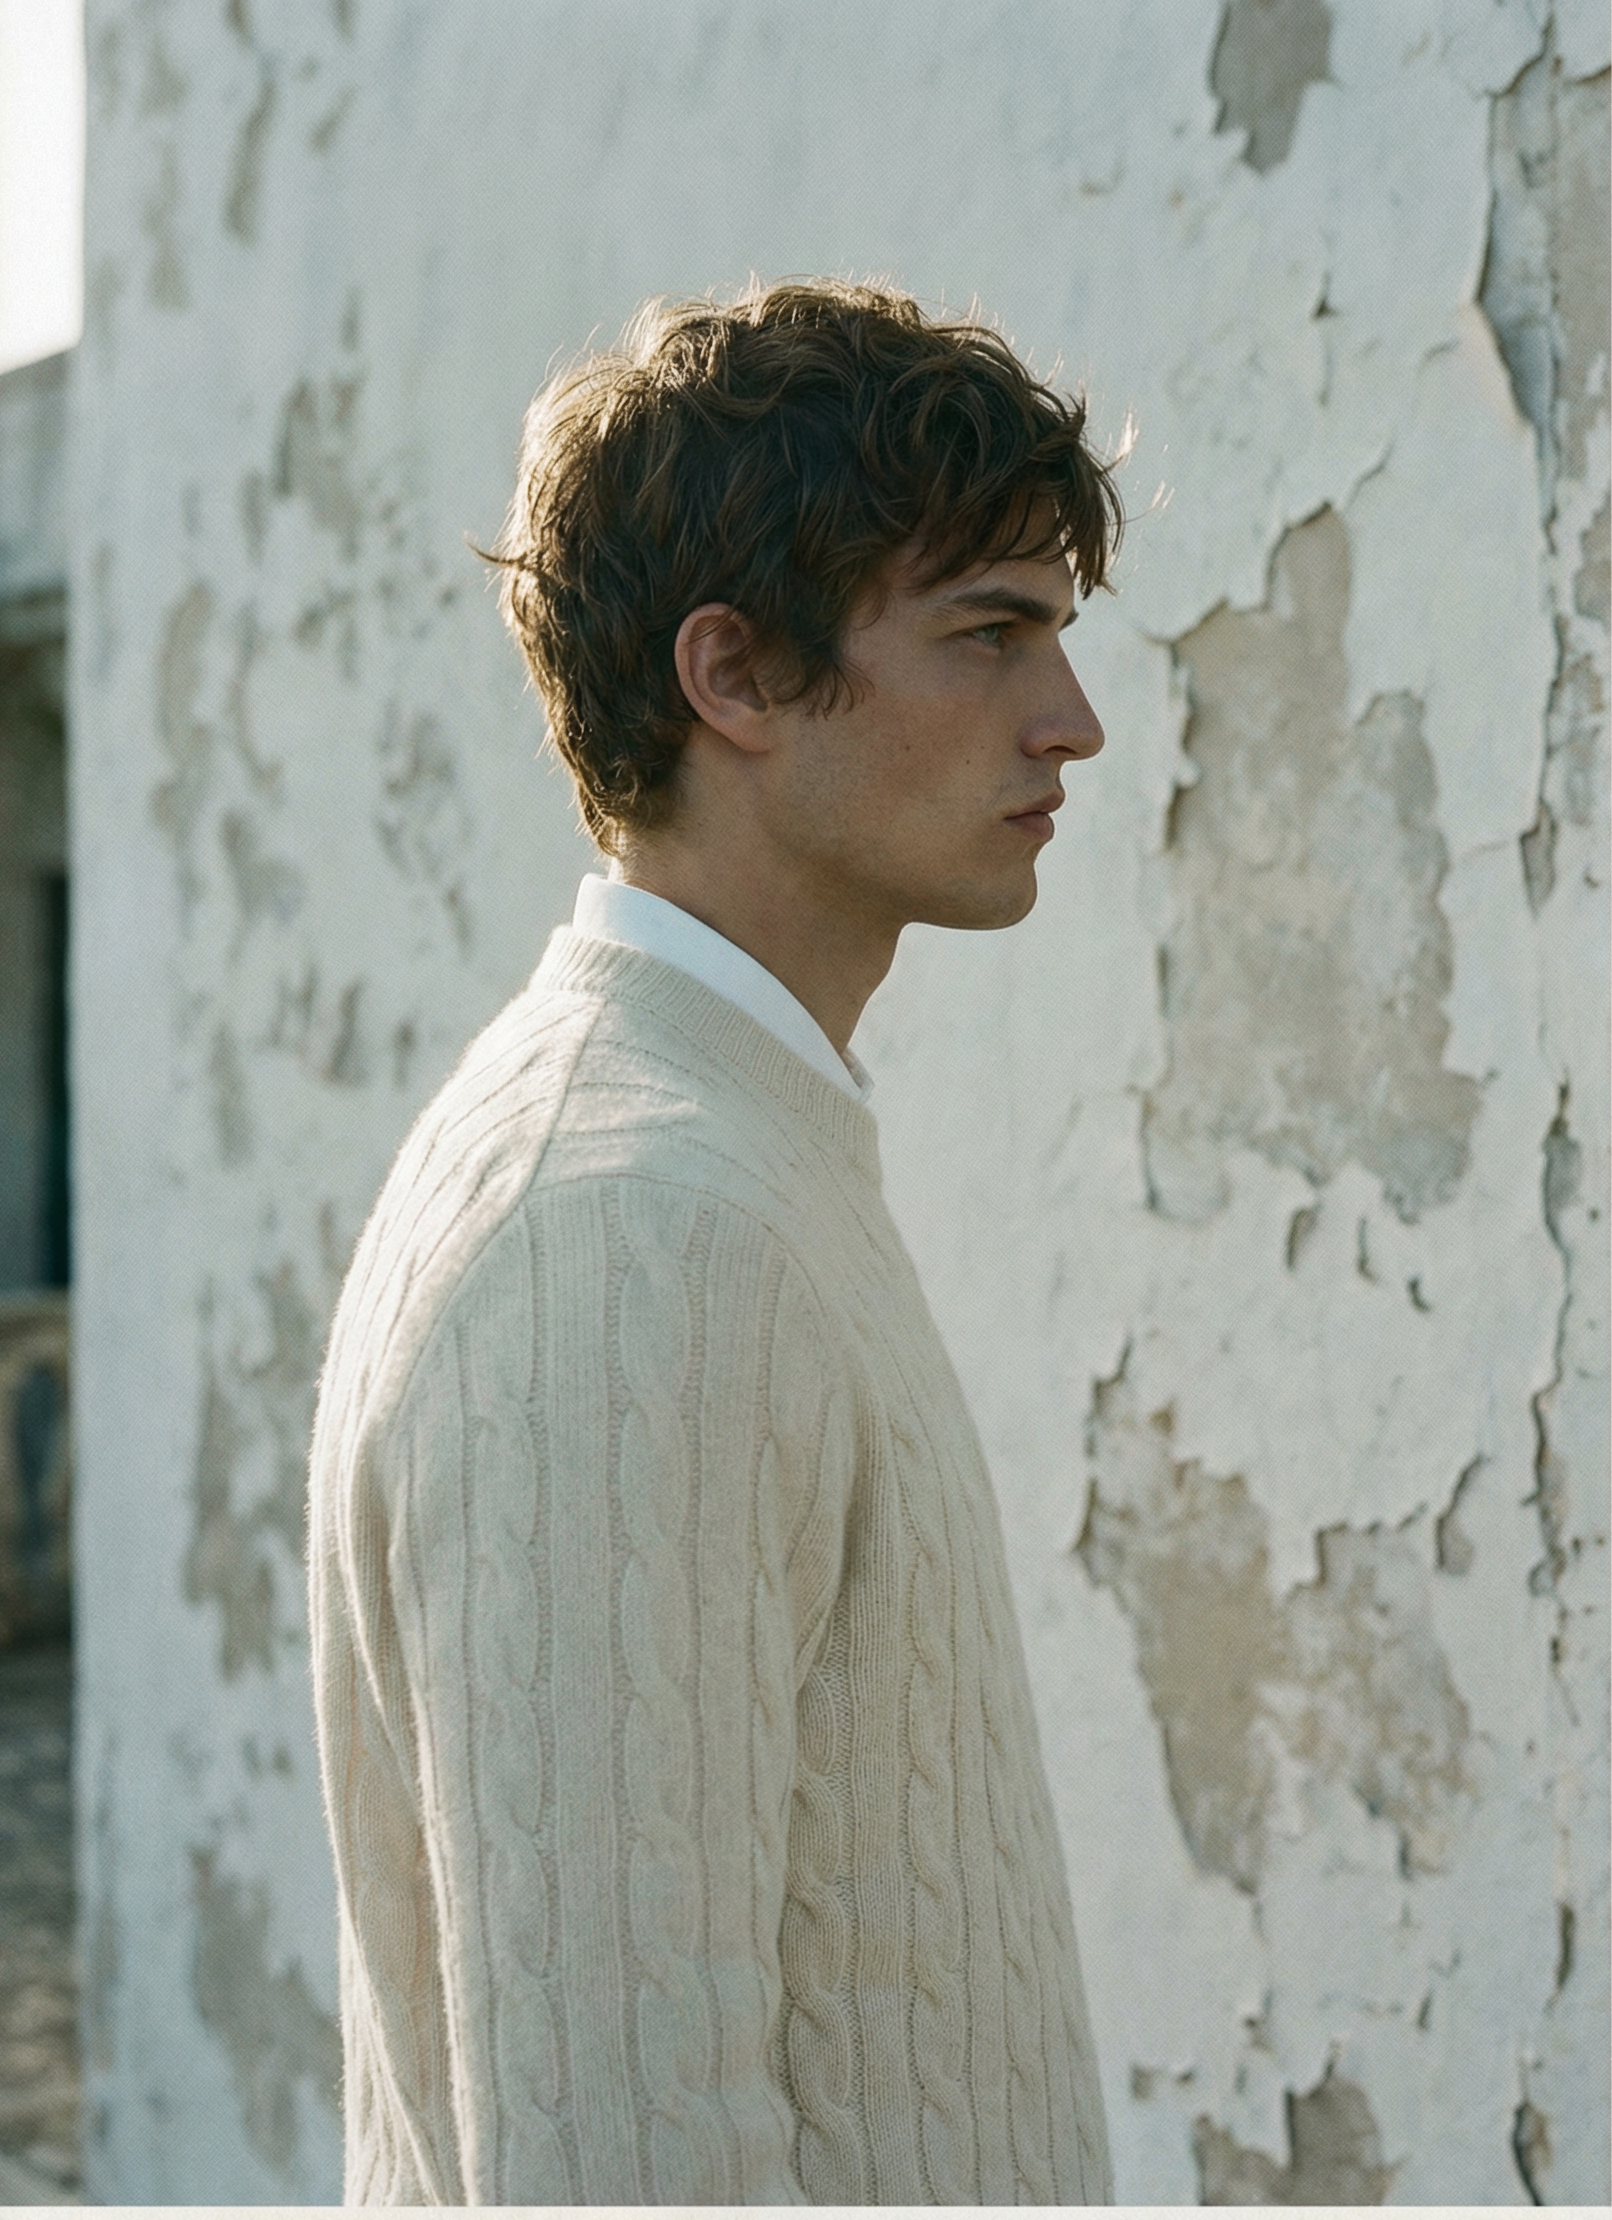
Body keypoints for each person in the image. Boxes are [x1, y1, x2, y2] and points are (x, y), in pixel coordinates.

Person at [308, 277, 1123, 2205]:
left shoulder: (719, 1149)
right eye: (991, 634)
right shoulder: (626, 1230)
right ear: (733, 678)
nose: (1073, 722)